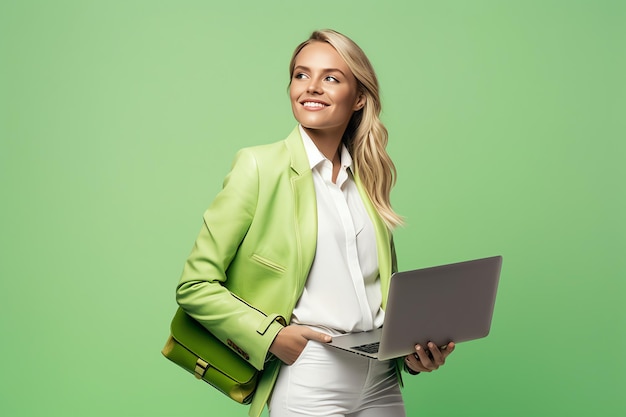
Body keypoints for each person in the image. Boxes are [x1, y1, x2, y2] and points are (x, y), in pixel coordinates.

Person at [175, 29, 455, 417]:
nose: (312, 88)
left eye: (331, 78)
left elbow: (378, 295)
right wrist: (271, 337)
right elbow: (195, 286)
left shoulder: (368, 179)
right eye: (301, 75)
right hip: (311, 374)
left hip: (382, 380)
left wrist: (412, 354)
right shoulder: (259, 167)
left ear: (359, 97)